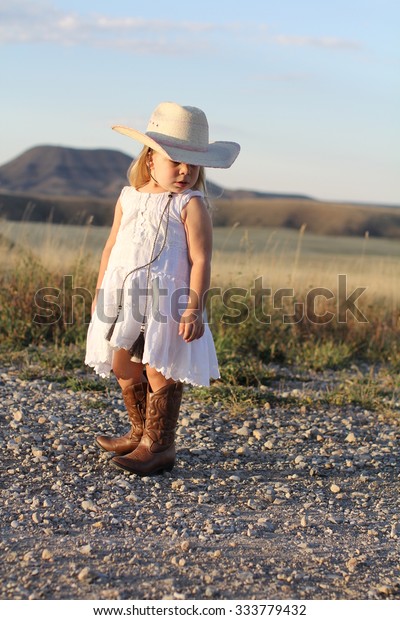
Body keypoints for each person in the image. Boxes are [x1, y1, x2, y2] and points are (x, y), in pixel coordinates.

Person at [85, 101, 240, 475]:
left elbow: (201, 259)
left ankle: (159, 446)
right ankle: (139, 431)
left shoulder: (190, 204)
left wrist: (194, 308)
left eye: (193, 163)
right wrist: (100, 290)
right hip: (124, 296)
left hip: (166, 301)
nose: (185, 171)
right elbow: (111, 246)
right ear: (151, 159)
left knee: (158, 368)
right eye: (176, 160)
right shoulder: (129, 196)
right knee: (123, 364)